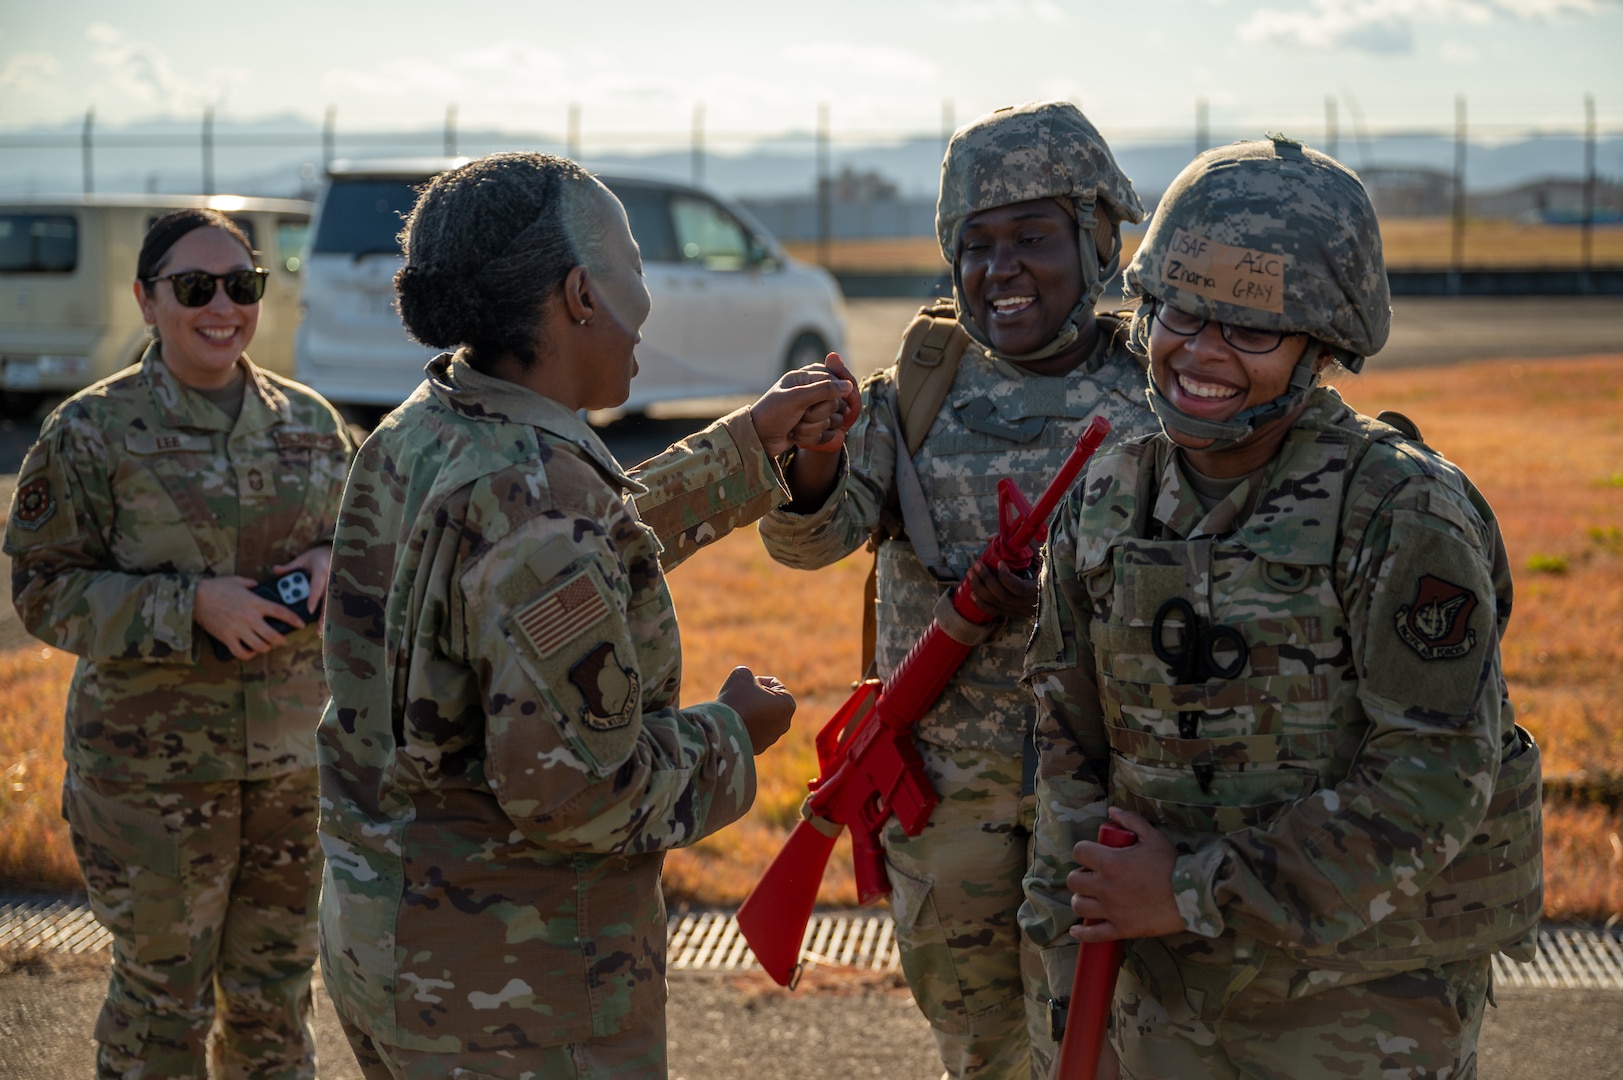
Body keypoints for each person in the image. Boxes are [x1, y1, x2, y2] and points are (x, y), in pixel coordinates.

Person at [316, 151, 859, 1080]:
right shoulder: (535, 498)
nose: (647, 298)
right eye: (633, 267)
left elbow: (569, 545)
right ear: (578, 295)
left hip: (391, 951)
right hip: (519, 1005)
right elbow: (577, 796)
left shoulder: (430, 424)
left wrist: (749, 444)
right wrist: (733, 733)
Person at [1021, 136, 1543, 1079]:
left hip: (1356, 1008)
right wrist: (1062, 988)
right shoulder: (1103, 500)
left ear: (1321, 347)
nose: (1201, 351)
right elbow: (1067, 757)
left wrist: (1189, 890)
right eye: (1182, 311)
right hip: (1156, 998)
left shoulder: (1398, 511)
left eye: (1252, 331)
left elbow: (1433, 777)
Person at [758, 101, 1158, 1080]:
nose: (1001, 268)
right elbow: (811, 539)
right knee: (979, 1051)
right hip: (944, 799)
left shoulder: (1158, 390)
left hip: (1109, 798)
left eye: (1033, 237)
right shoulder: (918, 389)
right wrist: (813, 458)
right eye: (977, 244)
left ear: (1098, 242)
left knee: (1102, 1050)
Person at [4, 207, 355, 1078]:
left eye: (242, 285)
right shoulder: (90, 431)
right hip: (150, 779)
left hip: (290, 769)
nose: (221, 307)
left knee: (277, 999)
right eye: (194, 288)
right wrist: (189, 605)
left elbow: (364, 544)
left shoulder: (311, 424)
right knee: (162, 1002)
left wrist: (329, 559)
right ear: (146, 298)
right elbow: (43, 590)